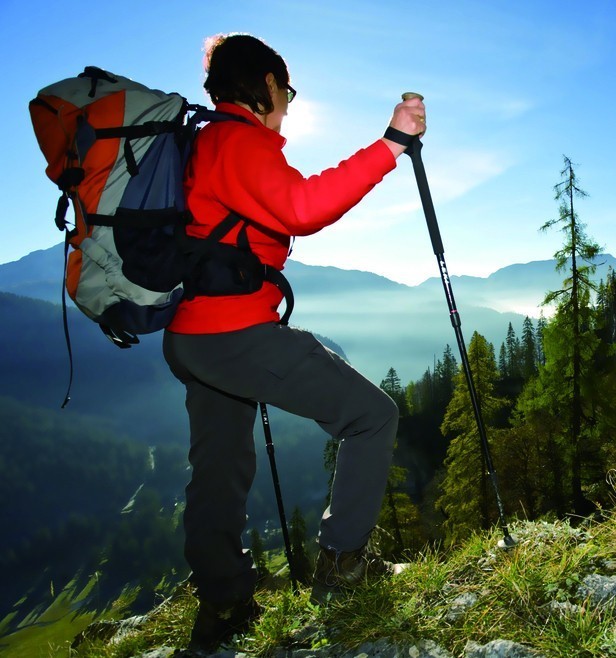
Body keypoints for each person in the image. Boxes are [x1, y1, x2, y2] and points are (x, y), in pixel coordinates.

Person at [162, 33, 425, 651]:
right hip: (234, 333)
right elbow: (303, 207)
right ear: (269, 84)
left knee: (220, 466)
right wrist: (389, 146)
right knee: (370, 415)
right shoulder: (237, 140)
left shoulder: (201, 143)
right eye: (289, 89)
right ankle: (341, 566)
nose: (291, 102)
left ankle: (223, 605)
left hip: (191, 336)